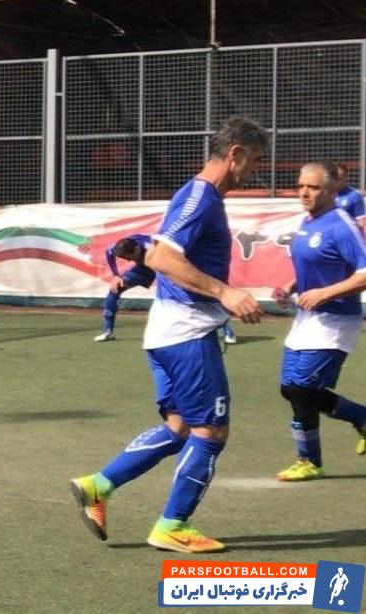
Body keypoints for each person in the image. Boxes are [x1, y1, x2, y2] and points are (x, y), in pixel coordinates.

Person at [71, 116, 268, 553]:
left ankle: (98, 486)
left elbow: (157, 255)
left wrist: (140, 263)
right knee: (211, 431)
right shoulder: (201, 197)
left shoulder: (199, 196)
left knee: (179, 426)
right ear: (234, 153)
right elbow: (164, 258)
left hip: (169, 329)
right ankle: (172, 525)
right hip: (186, 332)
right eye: (254, 161)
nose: (255, 170)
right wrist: (225, 292)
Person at [271, 162, 366, 482]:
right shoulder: (307, 221)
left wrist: (325, 293)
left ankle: (309, 461)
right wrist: (291, 286)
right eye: (300, 186)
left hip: (336, 320)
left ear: (330, 190)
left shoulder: (341, 224)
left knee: (302, 389)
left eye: (312, 187)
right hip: (307, 318)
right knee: (291, 389)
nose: (304, 192)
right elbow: (315, 265)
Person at [95, 234, 237, 345]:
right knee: (115, 289)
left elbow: (175, 259)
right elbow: (109, 252)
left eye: (129, 257)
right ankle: (108, 330)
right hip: (144, 268)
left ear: (137, 249)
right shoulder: (121, 247)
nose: (127, 260)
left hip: (164, 265)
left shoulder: (152, 246)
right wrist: (116, 275)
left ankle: (227, 331)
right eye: (123, 258)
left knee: (192, 294)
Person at [333, 162, 366, 233]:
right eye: (334, 177)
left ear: (345, 177)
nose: (337, 180)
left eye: (340, 177)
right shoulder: (326, 194)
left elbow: (361, 222)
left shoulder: (355, 195)